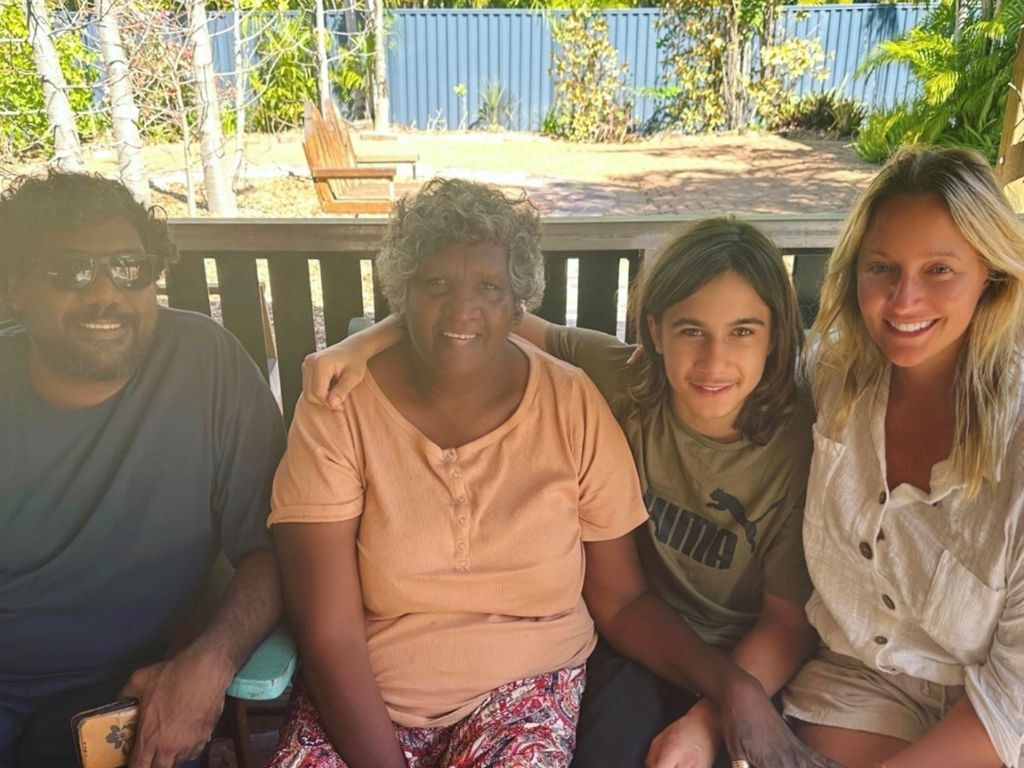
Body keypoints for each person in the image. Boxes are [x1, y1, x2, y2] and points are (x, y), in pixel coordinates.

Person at [298, 195, 838, 768]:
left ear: (777, 336)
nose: (713, 361)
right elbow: (476, 320)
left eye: (743, 331)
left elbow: (786, 624)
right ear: (654, 332)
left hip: (743, 659)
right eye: (691, 330)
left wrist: (724, 703)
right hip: (635, 649)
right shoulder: (623, 377)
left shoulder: (799, 445)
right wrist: (359, 343)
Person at [0, 171, 286, 768]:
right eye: (71, 271)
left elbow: (276, 547)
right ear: (16, 288)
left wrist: (212, 660)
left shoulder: (204, 366)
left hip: (127, 692)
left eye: (129, 268)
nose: (106, 294)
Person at [783, 146, 1024, 768]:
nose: (903, 300)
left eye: (939, 269)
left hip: (998, 712)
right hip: (861, 683)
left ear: (991, 276)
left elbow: (1011, 703)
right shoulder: (834, 376)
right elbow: (717, 371)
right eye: (882, 268)